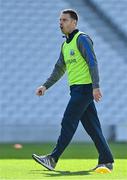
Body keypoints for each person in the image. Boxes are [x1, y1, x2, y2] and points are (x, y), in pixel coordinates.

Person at [32, 9, 114, 173]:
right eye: (60, 20)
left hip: (84, 90)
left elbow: (93, 62)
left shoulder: (82, 39)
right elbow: (58, 70)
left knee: (68, 121)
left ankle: (53, 158)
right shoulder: (65, 45)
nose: (60, 23)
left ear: (74, 22)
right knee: (93, 127)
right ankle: (107, 160)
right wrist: (45, 86)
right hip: (76, 90)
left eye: (64, 20)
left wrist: (96, 86)